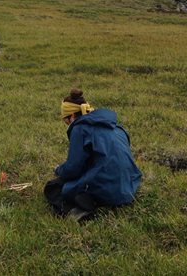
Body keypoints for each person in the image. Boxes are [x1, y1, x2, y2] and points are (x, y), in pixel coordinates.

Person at [44, 88, 143, 222]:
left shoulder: (80, 128)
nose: (67, 124)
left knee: (53, 188)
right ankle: (90, 197)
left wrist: (59, 170)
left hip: (108, 187)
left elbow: (73, 169)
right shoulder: (115, 125)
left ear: (72, 116)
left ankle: (76, 210)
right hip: (130, 186)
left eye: (66, 120)